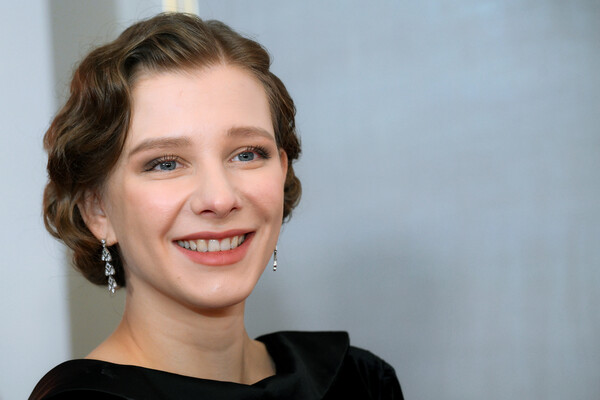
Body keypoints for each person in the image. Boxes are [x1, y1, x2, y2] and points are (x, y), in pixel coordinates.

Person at [30, 12, 403, 399]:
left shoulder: (358, 380)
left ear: (282, 171)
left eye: (246, 154)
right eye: (166, 163)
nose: (220, 199)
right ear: (98, 210)